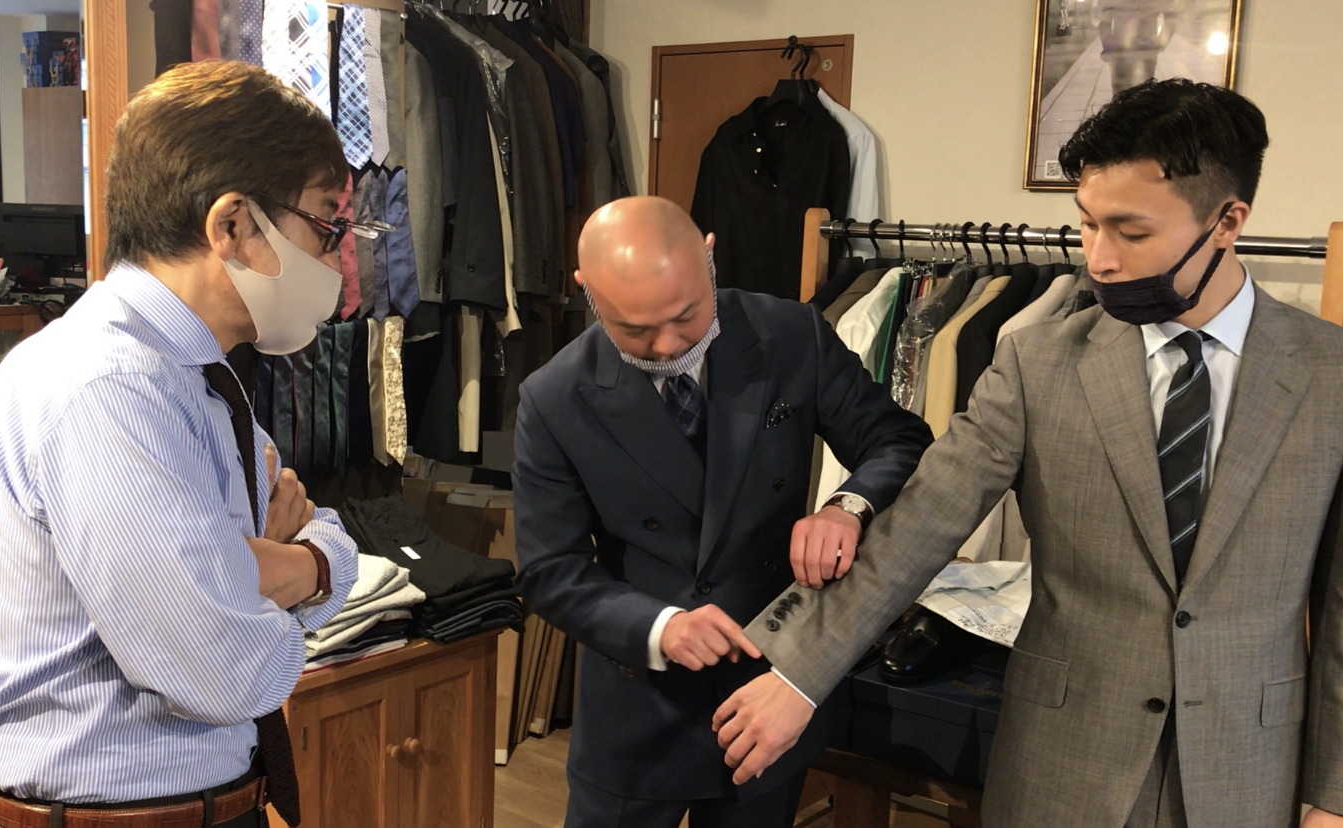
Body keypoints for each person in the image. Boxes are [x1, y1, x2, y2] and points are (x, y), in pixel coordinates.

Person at [713, 79, 1343, 828]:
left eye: (1130, 232)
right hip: (1064, 763)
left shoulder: (1329, 375)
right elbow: (922, 520)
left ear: (1227, 222)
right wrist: (801, 671)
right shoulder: (1036, 362)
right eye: (1087, 225)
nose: (1099, 260)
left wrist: (1334, 796)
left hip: (1247, 770)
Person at [0, 61, 365, 828]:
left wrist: (280, 564)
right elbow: (222, 670)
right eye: (324, 225)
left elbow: (316, 523)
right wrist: (305, 570)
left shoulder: (188, 373)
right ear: (232, 225)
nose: (339, 257)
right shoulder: (109, 385)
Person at [513, 196, 932, 828]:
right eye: (635, 330)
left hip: (768, 684)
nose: (668, 345)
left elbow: (898, 440)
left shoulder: (790, 334)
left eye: (687, 314)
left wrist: (847, 506)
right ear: (588, 291)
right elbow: (550, 570)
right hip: (637, 703)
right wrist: (659, 628)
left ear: (709, 256)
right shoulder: (553, 397)